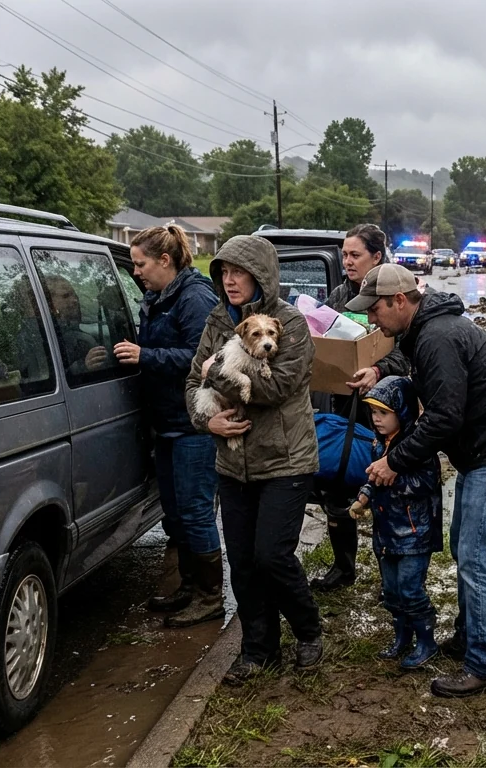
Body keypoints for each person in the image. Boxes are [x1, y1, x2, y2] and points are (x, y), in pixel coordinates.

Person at [349, 263, 486, 698]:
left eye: (376, 310)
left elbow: (443, 417)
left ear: (400, 301)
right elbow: (419, 372)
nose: (371, 319)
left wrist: (394, 461)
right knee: (465, 547)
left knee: (476, 557)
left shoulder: (437, 336)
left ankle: (484, 666)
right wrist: (381, 372)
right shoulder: (427, 329)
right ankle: (470, 635)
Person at [185, 235, 324, 684]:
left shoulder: (292, 324)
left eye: (238, 272)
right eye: (223, 273)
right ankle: (257, 649)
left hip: (285, 458)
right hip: (232, 459)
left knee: (271, 556)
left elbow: (274, 388)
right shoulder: (216, 321)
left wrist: (217, 377)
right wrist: (208, 424)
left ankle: (308, 630)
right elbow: (193, 381)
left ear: (261, 275)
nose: (229, 281)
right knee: (242, 562)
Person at [114, 224, 223, 628]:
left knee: (195, 512)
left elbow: (202, 359)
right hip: (167, 422)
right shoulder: (157, 296)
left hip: (193, 422)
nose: (136, 271)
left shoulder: (194, 297)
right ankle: (190, 586)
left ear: (165, 260)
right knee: (175, 514)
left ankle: (211, 598)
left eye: (141, 264)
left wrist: (146, 355)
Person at [307, 223, 412, 592]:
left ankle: (395, 574)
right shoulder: (339, 294)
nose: (346, 261)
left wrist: (379, 369)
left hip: (387, 406)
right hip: (343, 402)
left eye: (355, 255)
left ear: (377, 258)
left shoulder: (395, 297)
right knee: (336, 484)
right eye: (344, 254)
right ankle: (343, 567)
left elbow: (406, 353)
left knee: (385, 485)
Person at [346, 376, 442, 669]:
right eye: (373, 412)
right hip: (386, 532)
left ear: (402, 411)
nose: (376, 419)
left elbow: (426, 482)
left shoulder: (417, 446)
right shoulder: (379, 444)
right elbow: (373, 478)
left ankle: (426, 641)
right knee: (391, 590)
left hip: (414, 532)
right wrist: (363, 497)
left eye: (384, 412)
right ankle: (402, 636)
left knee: (411, 589)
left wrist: (393, 476)